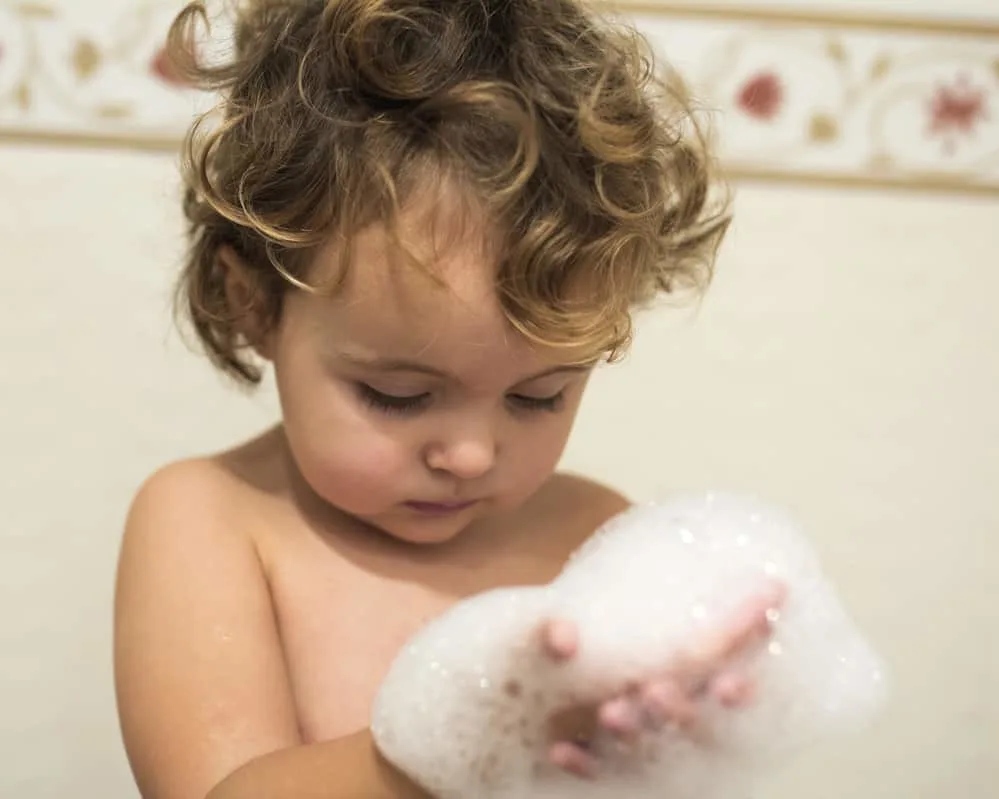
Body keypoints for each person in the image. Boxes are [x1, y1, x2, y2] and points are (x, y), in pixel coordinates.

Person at [113, 1, 783, 797]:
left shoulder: (594, 536)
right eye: (397, 395)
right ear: (254, 301)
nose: (469, 454)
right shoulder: (212, 521)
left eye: (538, 396)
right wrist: (487, 732)